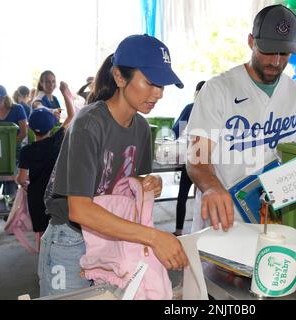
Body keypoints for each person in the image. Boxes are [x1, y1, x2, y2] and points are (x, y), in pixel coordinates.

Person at [38, 34, 189, 297]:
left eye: (163, 85)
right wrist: (153, 237)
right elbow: (80, 210)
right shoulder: (89, 123)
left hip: (110, 239)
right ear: (120, 77)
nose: (159, 94)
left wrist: (147, 184)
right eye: (151, 82)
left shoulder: (142, 127)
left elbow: (127, 186)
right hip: (70, 238)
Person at [186, 4, 296, 233]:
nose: (275, 61)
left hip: (277, 218)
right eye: (268, 50)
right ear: (251, 41)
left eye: (283, 53)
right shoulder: (218, 89)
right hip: (224, 218)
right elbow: (197, 157)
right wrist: (211, 187)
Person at [16, 81, 75, 242]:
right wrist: (65, 92)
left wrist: (24, 184)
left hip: (36, 198)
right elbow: (71, 115)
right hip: (56, 195)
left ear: (29, 127)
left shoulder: (26, 151)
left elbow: (21, 179)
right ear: (51, 127)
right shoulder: (56, 142)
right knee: (58, 230)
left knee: (42, 235)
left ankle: (44, 263)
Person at [171, 80, 205, 236]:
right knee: (204, 197)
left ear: (196, 93)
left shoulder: (190, 108)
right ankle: (204, 232)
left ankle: (179, 231)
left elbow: (176, 130)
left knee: (182, 196)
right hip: (207, 161)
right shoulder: (214, 110)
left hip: (190, 160)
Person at [0, 84, 27, 202]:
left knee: (11, 189)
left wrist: (9, 148)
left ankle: (10, 217)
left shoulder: (17, 109)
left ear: (2, 97)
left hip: (13, 153)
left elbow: (23, 132)